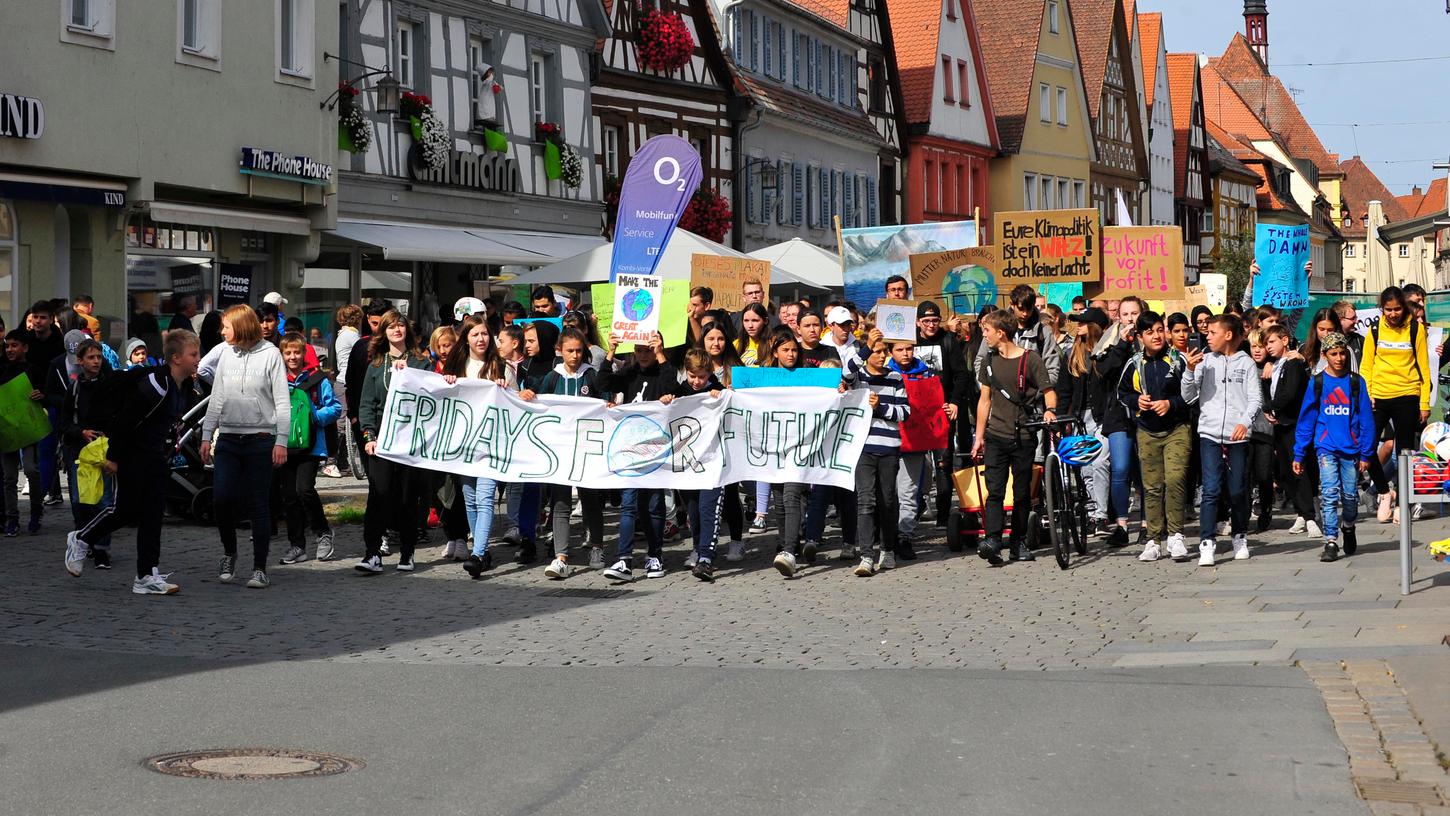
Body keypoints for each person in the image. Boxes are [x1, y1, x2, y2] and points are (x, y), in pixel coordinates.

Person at [63, 330, 201, 595]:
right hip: (132, 455)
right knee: (124, 510)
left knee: (152, 515)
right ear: (175, 358)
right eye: (193, 354)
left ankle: (146, 575)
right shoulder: (156, 384)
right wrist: (114, 457)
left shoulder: (183, 385)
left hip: (156, 458)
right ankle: (81, 538)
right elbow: (126, 420)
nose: (198, 359)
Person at [201, 305, 291, 589]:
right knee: (222, 499)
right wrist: (206, 434)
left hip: (260, 438)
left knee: (258, 504)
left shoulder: (271, 354)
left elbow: (282, 400)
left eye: (226, 326)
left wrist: (281, 440)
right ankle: (229, 552)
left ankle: (260, 567)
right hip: (228, 438)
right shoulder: (225, 352)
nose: (222, 331)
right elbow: (217, 396)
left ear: (240, 326)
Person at [520, 327, 606, 580]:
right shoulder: (552, 377)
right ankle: (561, 557)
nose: (575, 355)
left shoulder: (591, 376)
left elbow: (606, 399)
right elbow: (537, 397)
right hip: (560, 450)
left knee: (590, 500)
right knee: (560, 502)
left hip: (587, 449)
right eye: (570, 351)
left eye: (579, 350)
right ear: (560, 351)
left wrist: (610, 402)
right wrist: (525, 394)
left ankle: (598, 548)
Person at [973, 310, 1056, 565]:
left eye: (987, 331)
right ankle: (993, 540)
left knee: (1021, 493)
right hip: (996, 435)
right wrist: (979, 437)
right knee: (995, 491)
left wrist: (1050, 411)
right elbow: (984, 401)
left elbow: (1048, 392)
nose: (983, 335)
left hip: (1024, 435)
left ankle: (1018, 543)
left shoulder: (1031, 360)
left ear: (1001, 333)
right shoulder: (988, 360)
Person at [355, 310, 432, 574]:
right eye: (391, 327)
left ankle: (408, 551)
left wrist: (409, 373)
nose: (396, 330)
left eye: (400, 325)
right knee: (379, 494)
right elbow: (365, 404)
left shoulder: (421, 362)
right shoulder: (376, 365)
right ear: (383, 332)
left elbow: (433, 395)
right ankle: (372, 553)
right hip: (382, 434)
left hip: (411, 437)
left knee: (408, 496)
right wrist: (369, 436)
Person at [1182, 314, 1260, 566]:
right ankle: (1207, 542)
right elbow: (1188, 396)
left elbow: (1255, 399)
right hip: (1210, 433)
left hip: (1238, 435)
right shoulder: (1205, 361)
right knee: (1211, 489)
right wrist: (1190, 370)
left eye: (1213, 332)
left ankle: (1239, 535)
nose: (1207, 335)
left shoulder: (1246, 363)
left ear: (1228, 335)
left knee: (1237, 489)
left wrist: (1244, 422)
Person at [599, 330, 676, 582]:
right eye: (640, 350)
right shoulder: (629, 373)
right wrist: (610, 352)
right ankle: (624, 559)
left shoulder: (663, 370)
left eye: (649, 350)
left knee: (654, 505)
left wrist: (661, 355)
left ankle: (655, 555)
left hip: (655, 449)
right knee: (629, 505)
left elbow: (672, 387)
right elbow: (603, 383)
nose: (644, 355)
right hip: (629, 448)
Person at [1293, 332, 1374, 562]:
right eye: (1333, 354)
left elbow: (1366, 420)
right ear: (1324, 355)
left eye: (1342, 353)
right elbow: (1306, 420)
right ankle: (1330, 540)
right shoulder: (1317, 383)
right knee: (1328, 493)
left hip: (1351, 449)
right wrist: (1299, 453)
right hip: (1325, 448)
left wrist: (1367, 453)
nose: (1339, 358)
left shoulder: (1356, 383)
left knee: (1349, 496)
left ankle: (1348, 525)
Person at [1119, 311, 1192, 562]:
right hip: (1147, 431)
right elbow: (1123, 393)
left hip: (1177, 429)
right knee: (1151, 487)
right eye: (1150, 332)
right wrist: (1136, 400)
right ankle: (1153, 539)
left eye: (1160, 330)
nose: (1157, 336)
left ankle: (1176, 535)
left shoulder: (1178, 360)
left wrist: (1171, 404)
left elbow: (1191, 395)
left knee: (1175, 479)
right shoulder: (1134, 364)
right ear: (1140, 337)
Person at [442, 315, 505, 577]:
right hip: (464, 444)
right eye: (475, 334)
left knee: (485, 497)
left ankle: (478, 553)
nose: (481, 339)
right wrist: (445, 384)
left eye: (485, 334)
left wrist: (507, 388)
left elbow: (516, 399)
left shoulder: (498, 366)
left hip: (491, 444)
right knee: (469, 497)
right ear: (465, 339)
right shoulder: (456, 366)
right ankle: (482, 550)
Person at [1360, 286, 1430, 519]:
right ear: (1382, 309)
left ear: (1403, 307)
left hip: (1408, 393)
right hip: (1379, 395)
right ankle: (1383, 491)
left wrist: (1424, 402)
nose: (1392, 313)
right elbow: (1366, 365)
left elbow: (1424, 366)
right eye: (1388, 309)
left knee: (1404, 452)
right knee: (1367, 447)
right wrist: (1367, 393)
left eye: (1397, 309)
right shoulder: (1375, 329)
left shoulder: (1414, 328)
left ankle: (1403, 500)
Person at [275, 332, 342, 564]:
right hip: (284, 444)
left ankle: (323, 532)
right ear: (282, 355)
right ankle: (297, 545)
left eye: (297, 352)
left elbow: (334, 407)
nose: (293, 357)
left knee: (304, 490)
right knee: (289, 496)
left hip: (311, 445)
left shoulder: (317, 379)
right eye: (288, 353)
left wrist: (313, 417)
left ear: (305, 353)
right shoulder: (277, 379)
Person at [57, 338, 113, 567]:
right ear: (80, 361)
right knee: (80, 502)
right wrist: (81, 432)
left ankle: (101, 549)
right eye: (91, 357)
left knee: (105, 501)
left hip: (104, 450)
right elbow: (65, 421)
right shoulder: (76, 388)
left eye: (99, 357)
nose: (96, 361)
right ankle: (84, 541)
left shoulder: (110, 385)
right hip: (79, 452)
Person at [1063, 307, 1112, 533]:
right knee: (1085, 467)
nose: (1078, 326)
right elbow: (1065, 391)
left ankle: (1101, 514)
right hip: (1080, 417)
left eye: (1083, 322)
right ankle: (1094, 511)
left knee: (1100, 462)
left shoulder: (1106, 355)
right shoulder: (1073, 354)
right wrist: (1060, 415)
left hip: (1104, 416)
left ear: (1094, 327)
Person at [0, 331, 44, 537]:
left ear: (24, 348)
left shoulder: (33, 370)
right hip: (6, 430)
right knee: (9, 477)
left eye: (14, 345)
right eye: (7, 346)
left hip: (28, 429)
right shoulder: (1, 370)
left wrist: (40, 395)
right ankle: (13, 518)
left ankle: (36, 511)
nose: (9, 349)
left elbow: (45, 395)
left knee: (31, 470)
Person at [736, 303, 770, 367]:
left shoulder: (772, 344)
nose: (750, 325)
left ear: (765, 321)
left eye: (755, 320)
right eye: (746, 321)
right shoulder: (736, 344)